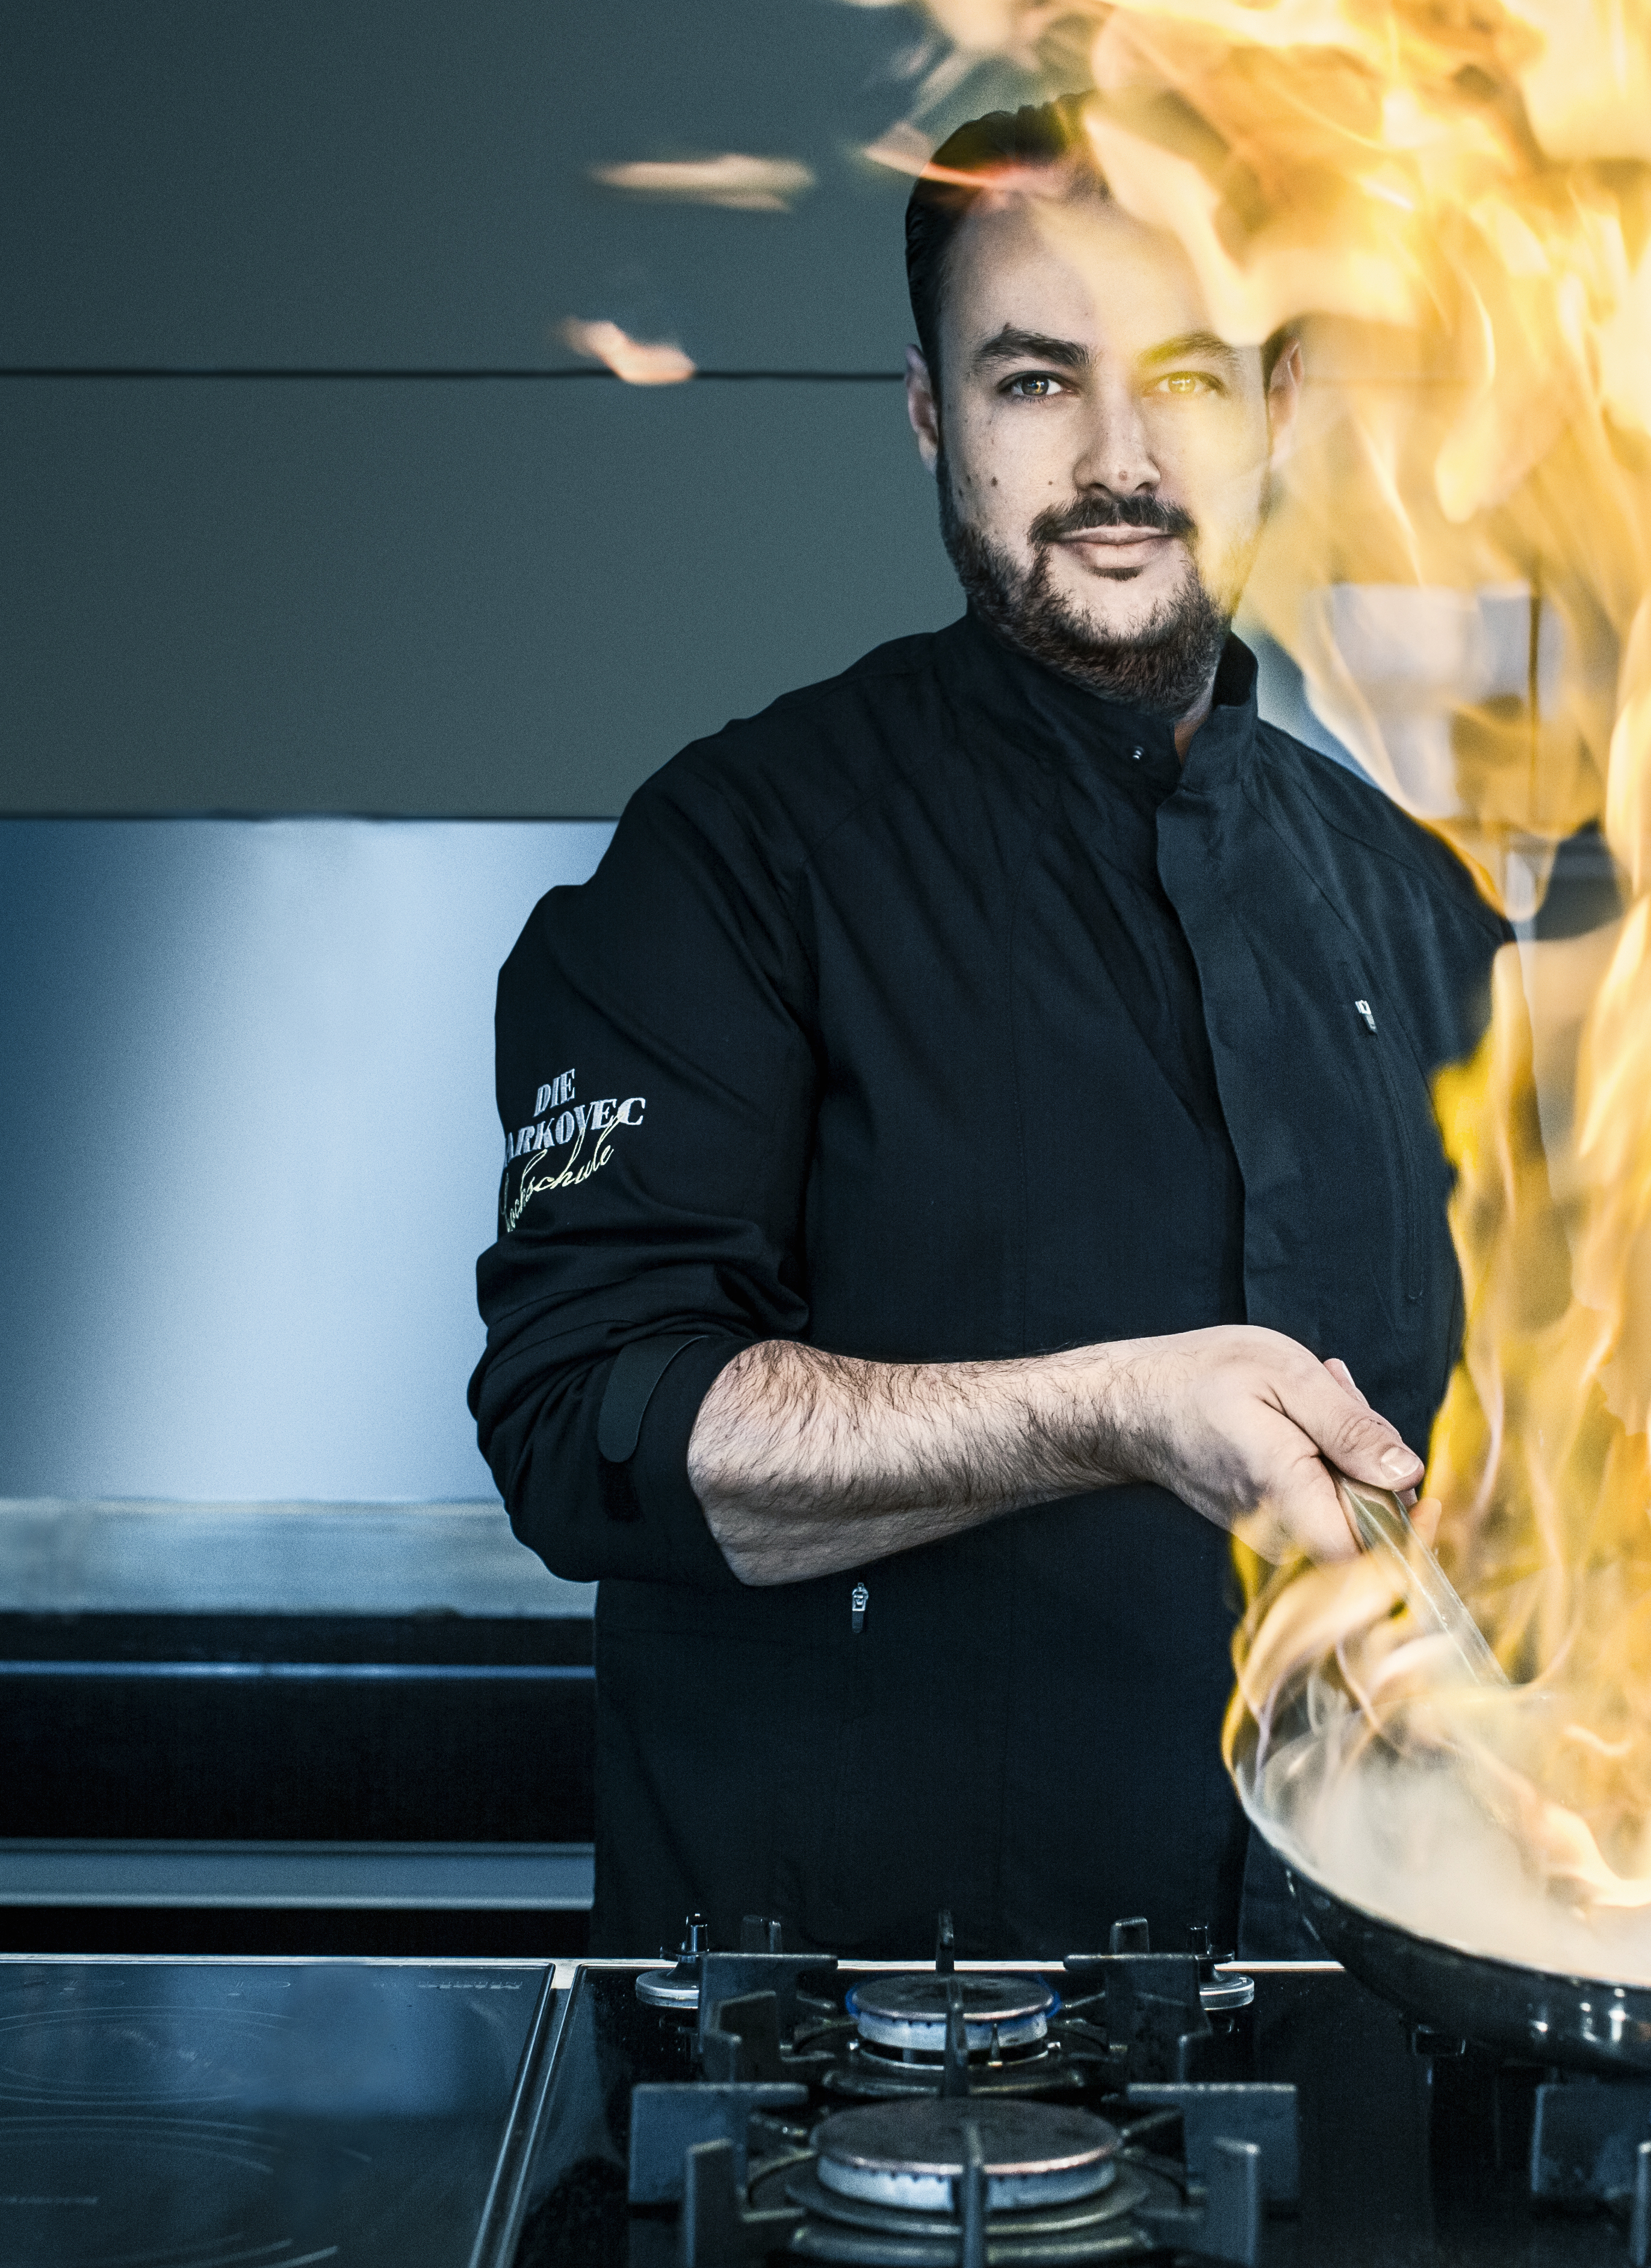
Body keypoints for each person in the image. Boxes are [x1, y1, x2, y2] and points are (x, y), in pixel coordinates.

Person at [472, 97, 1505, 1959]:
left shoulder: (1411, 902)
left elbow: (1513, 1459)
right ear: (932, 415)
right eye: (1038, 382)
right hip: (852, 2092)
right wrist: (1110, 1410)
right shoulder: (738, 856)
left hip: (1330, 2035)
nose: (1122, 459)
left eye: (1186, 380)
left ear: (1279, 413)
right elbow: (584, 1423)